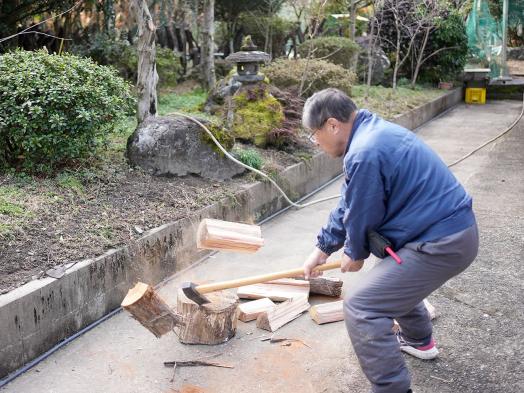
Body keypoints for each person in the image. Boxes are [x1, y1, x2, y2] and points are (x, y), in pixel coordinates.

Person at [301, 88, 479, 393]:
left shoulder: (364, 153)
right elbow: (350, 201)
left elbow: (362, 212)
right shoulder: (372, 133)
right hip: (445, 232)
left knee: (362, 306)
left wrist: (353, 252)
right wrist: (323, 247)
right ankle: (419, 341)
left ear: (332, 125)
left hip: (443, 241)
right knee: (387, 278)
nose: (315, 142)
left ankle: (392, 388)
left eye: (314, 134)